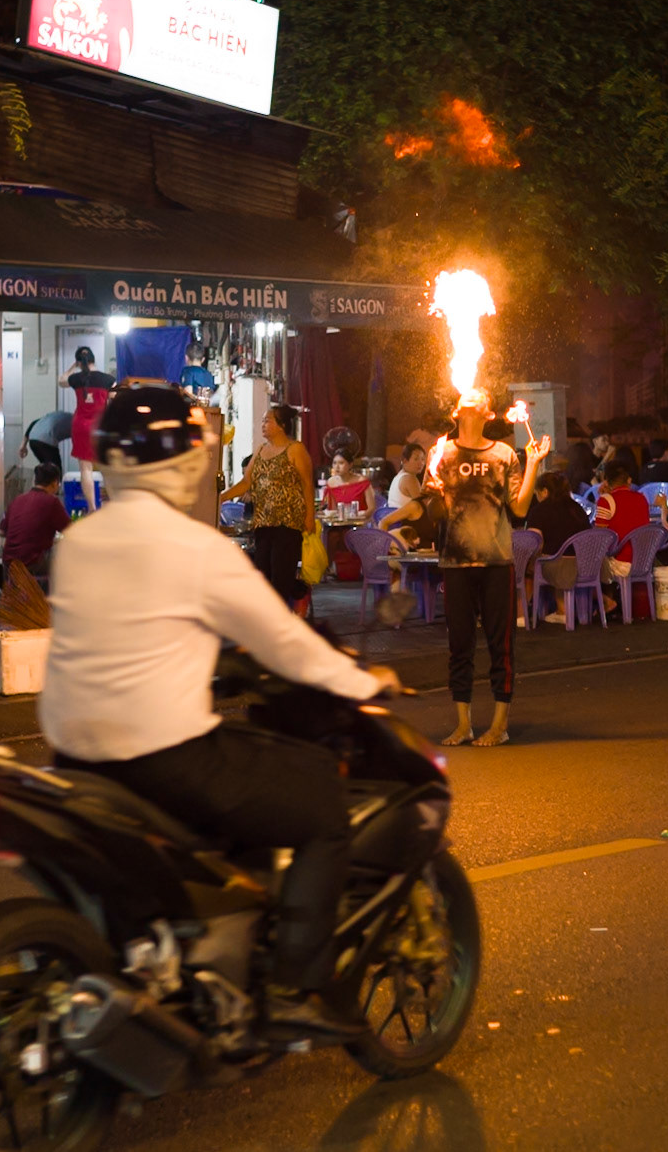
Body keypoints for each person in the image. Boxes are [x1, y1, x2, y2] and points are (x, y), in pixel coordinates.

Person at [40, 384, 399, 1039]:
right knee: (321, 801)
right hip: (163, 759)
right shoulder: (198, 548)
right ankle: (294, 986)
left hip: (72, 757)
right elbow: (287, 643)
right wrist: (358, 681)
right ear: (184, 462)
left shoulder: (76, 542)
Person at [432, 391, 551, 747]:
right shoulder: (442, 452)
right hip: (456, 560)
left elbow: (519, 508)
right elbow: (434, 509)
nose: (473, 394)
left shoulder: (502, 454)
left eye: (480, 396)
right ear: (458, 410)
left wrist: (532, 464)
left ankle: (500, 724)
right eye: (467, 395)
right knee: (460, 644)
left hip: (497, 560)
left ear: (488, 413)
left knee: (502, 644)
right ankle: (463, 723)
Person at [219, 403, 314, 610]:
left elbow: (308, 485)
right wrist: (222, 497)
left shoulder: (295, 449)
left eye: (267, 420)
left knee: (281, 579)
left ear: (281, 425)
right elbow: (247, 482)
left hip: (288, 524)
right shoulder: (261, 450)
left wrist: (309, 518)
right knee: (263, 577)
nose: (263, 424)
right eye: (263, 420)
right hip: (263, 523)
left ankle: (279, 624)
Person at [521, 471, 590, 619]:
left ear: (544, 491)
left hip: (558, 566)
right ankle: (564, 610)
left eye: (537, 493)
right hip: (586, 565)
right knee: (556, 558)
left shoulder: (539, 511)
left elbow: (534, 543)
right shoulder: (577, 508)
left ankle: (523, 615)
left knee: (525, 566)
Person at [591, 461, 650, 604]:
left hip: (620, 563)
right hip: (644, 562)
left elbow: (599, 537)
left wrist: (602, 499)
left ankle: (606, 602)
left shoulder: (606, 501)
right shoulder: (642, 499)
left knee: (588, 560)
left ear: (606, 481)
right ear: (629, 480)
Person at [2, 462, 72, 575]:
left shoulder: (18, 500)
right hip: (32, 564)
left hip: (8, 566)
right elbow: (71, 531)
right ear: (55, 483)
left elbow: (3, 530)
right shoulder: (51, 502)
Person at [65, 346, 116, 486]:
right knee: (107, 468)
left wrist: (73, 367)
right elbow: (115, 399)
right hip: (100, 427)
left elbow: (62, 381)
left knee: (85, 469)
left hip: (80, 426)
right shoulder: (108, 380)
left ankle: (92, 507)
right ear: (94, 359)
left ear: (79, 363)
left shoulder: (76, 379)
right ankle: (111, 504)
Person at [387, 442, 427, 512]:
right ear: (405, 461)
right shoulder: (409, 478)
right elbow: (423, 505)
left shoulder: (399, 476)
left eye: (423, 459)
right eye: (416, 459)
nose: (421, 463)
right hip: (403, 521)